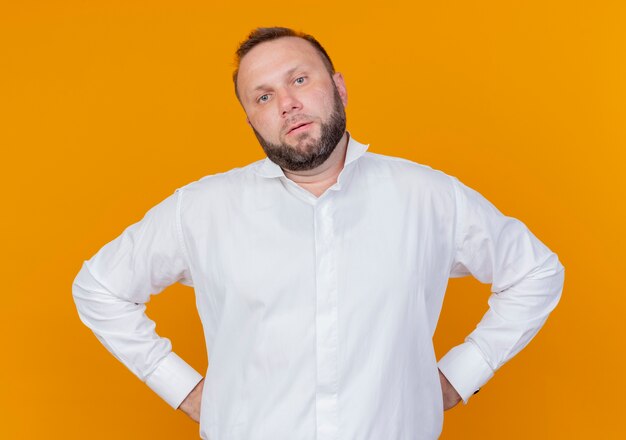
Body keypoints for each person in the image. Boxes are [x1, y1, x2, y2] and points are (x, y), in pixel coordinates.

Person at [72, 27, 565, 440]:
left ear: (338, 87)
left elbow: (535, 272)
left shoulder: (428, 197)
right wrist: (183, 389)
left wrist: (462, 375)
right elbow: (100, 288)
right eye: (263, 96)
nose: (286, 103)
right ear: (251, 119)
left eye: (299, 80)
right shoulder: (202, 210)